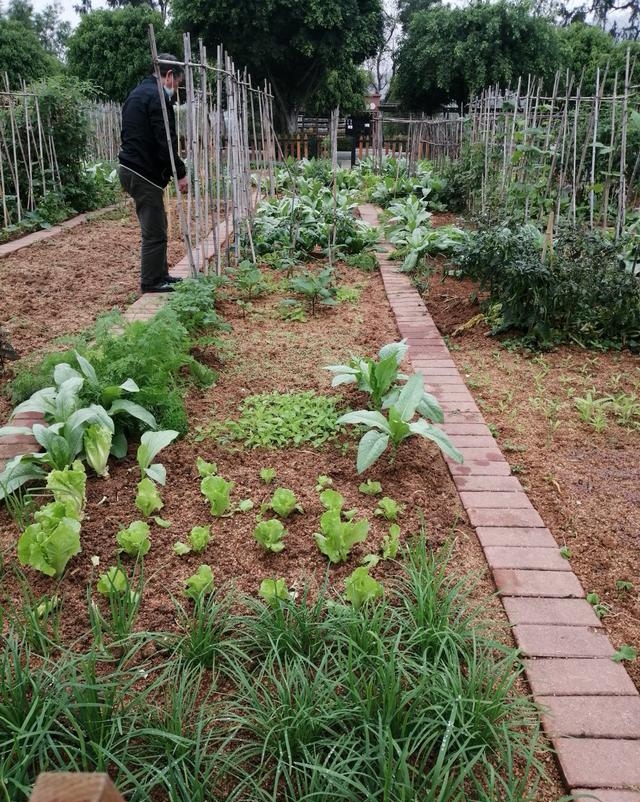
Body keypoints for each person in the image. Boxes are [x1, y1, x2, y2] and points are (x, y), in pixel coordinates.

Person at [118, 54, 188, 293]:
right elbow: (164, 142)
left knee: (158, 224)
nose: (175, 89)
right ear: (169, 76)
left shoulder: (136, 93)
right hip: (142, 172)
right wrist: (180, 172)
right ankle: (151, 282)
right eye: (177, 83)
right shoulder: (158, 98)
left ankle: (161, 275)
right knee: (154, 230)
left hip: (130, 167)